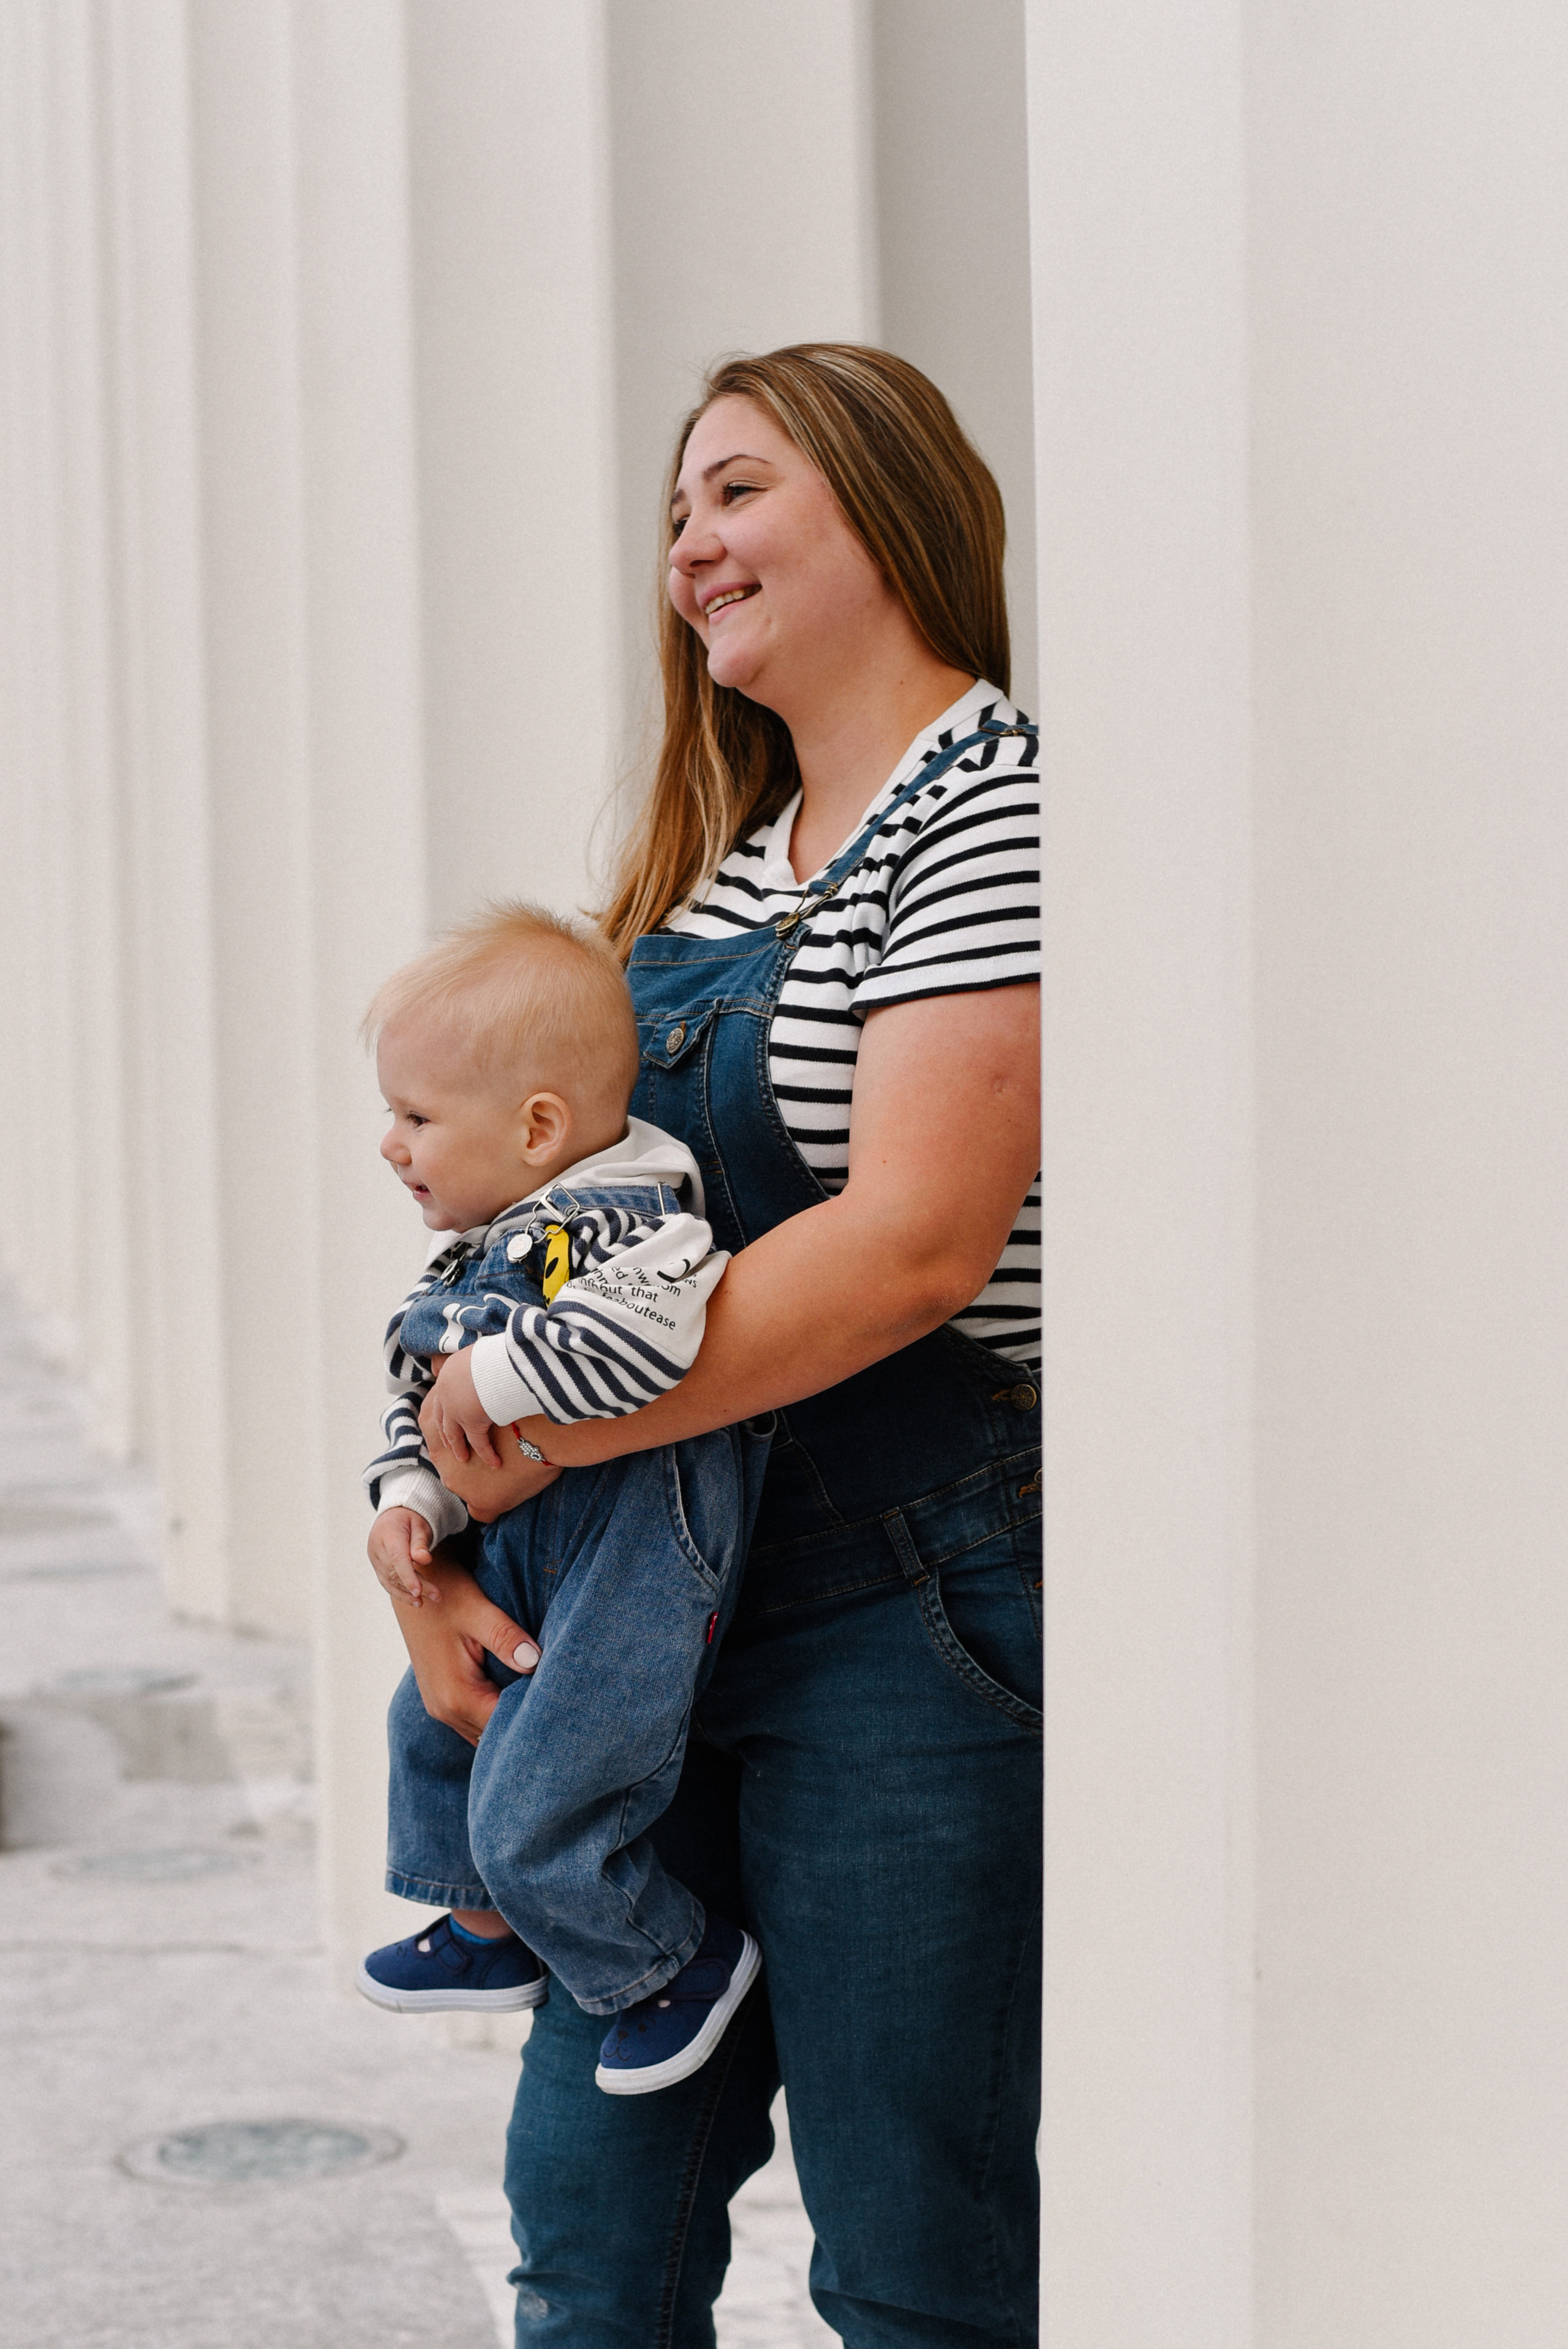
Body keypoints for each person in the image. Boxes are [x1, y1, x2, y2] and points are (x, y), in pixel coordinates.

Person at [373, 344, 1041, 2347]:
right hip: (630, 1613)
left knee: (907, 2264)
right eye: (678, 511)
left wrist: (537, 1416)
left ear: (888, 498)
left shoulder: (986, 800)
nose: (692, 543)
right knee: (592, 2241)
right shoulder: (706, 868)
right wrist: (424, 1524)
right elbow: (523, 1242)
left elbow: (915, 1247)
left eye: (735, 490)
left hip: (899, 1612)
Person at [353, 902, 769, 2092]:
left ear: (538, 1127)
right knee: (429, 1723)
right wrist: (412, 1506)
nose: (391, 1145)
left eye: (416, 1117)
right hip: (530, 1536)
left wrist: (490, 1376)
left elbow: (647, 1344)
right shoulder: (493, 1240)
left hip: (639, 1543)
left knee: (546, 1793)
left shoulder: (634, 1220)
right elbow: (425, 1401)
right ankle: (484, 1935)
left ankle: (667, 1967)